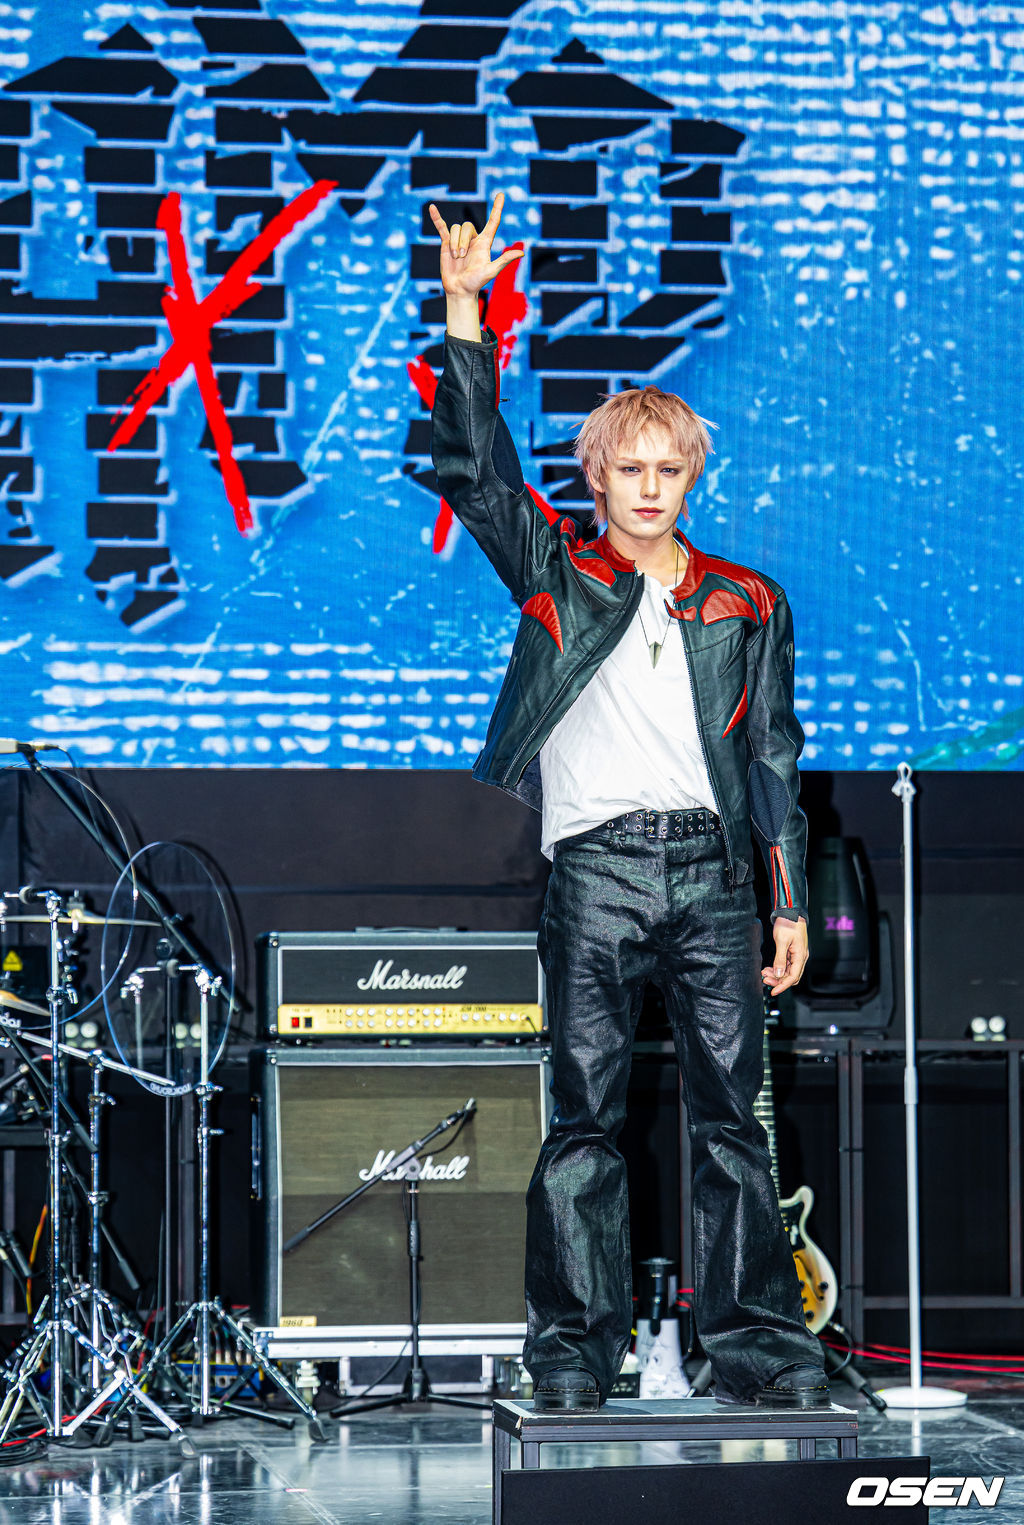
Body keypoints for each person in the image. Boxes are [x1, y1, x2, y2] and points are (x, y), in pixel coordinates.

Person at [428, 192, 828, 1412]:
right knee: (582, 1123)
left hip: (711, 875)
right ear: (595, 475)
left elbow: (772, 755)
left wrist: (786, 901)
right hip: (595, 873)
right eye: (629, 469)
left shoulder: (746, 601)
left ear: (691, 473)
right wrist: (463, 312)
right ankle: (570, 1355)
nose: (649, 488)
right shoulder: (555, 572)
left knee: (732, 1126)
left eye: (668, 469)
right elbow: (473, 469)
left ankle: (760, 1349)